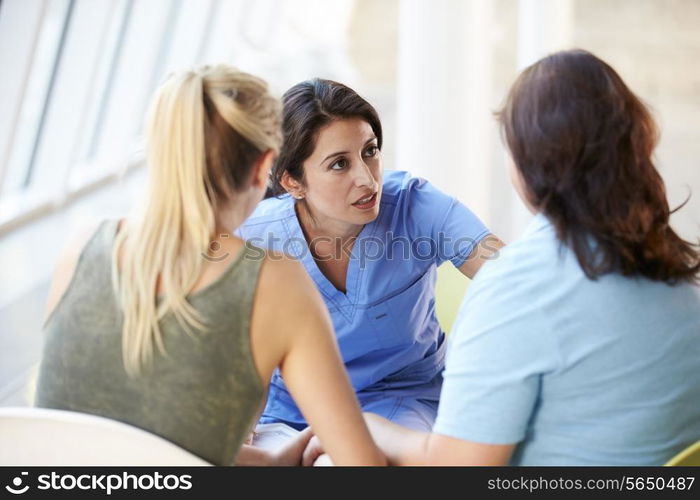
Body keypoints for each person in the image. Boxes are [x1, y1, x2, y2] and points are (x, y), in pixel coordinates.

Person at [304, 49, 700, 466]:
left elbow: (456, 468)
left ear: (527, 164)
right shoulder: (677, 278)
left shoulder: (515, 292)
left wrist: (367, 426)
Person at [34, 65, 385, 466]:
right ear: (264, 168)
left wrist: (268, 464)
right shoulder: (273, 280)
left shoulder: (81, 247)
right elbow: (363, 467)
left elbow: (122, 439)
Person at [237, 78, 503, 434]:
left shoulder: (416, 207)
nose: (367, 179)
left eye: (370, 151)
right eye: (338, 164)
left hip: (398, 401)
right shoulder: (254, 236)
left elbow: (510, 276)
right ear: (292, 182)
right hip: (290, 411)